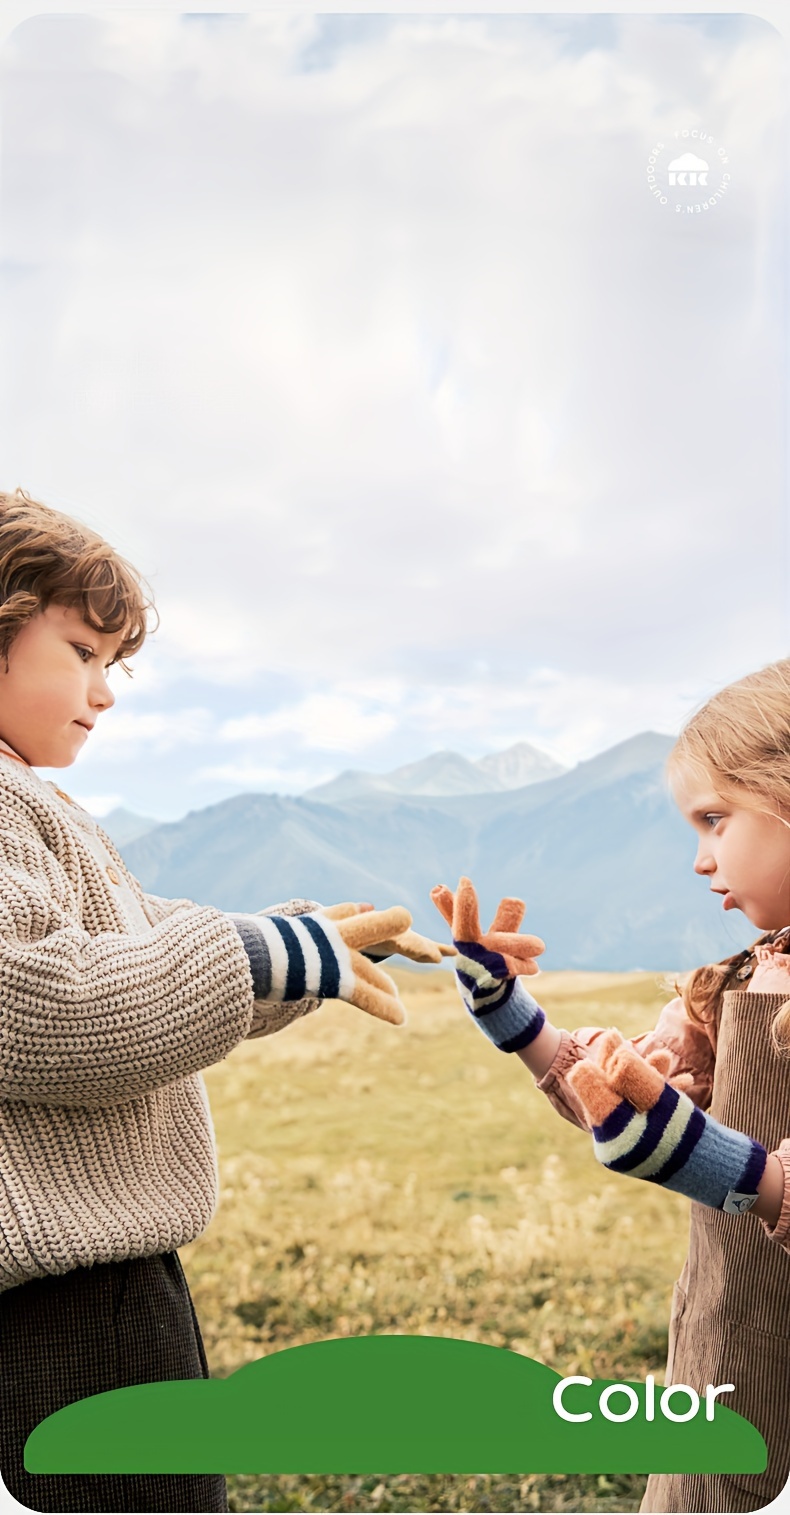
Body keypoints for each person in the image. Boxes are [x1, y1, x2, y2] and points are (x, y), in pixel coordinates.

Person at [0, 486, 435, 1515]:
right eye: (81, 652)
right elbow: (35, 1003)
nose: (104, 692)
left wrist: (300, 944)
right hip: (59, 1311)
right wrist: (270, 954)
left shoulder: (39, 810)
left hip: (107, 1285)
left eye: (116, 664)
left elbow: (149, 950)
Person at [432, 658, 790, 1515]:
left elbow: (699, 1153)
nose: (702, 860)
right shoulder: (730, 982)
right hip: (728, 1348)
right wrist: (510, 1013)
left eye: (715, 819)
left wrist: (720, 1168)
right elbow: (620, 1086)